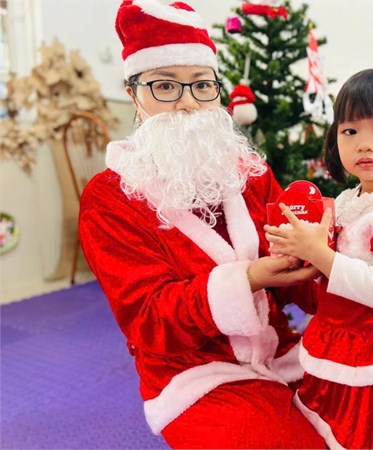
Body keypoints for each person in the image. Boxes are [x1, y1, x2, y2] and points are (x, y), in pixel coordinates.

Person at [78, 1, 326, 448]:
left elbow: (297, 280)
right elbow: (148, 319)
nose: (189, 103)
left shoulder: (249, 173)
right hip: (192, 374)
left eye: (201, 85)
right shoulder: (110, 197)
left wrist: (327, 259)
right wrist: (249, 278)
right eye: (165, 86)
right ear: (134, 95)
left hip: (279, 351)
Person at [265, 67, 373, 449]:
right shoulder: (347, 201)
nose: (365, 144)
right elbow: (331, 271)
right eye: (350, 131)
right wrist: (298, 253)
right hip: (334, 341)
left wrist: (319, 253)